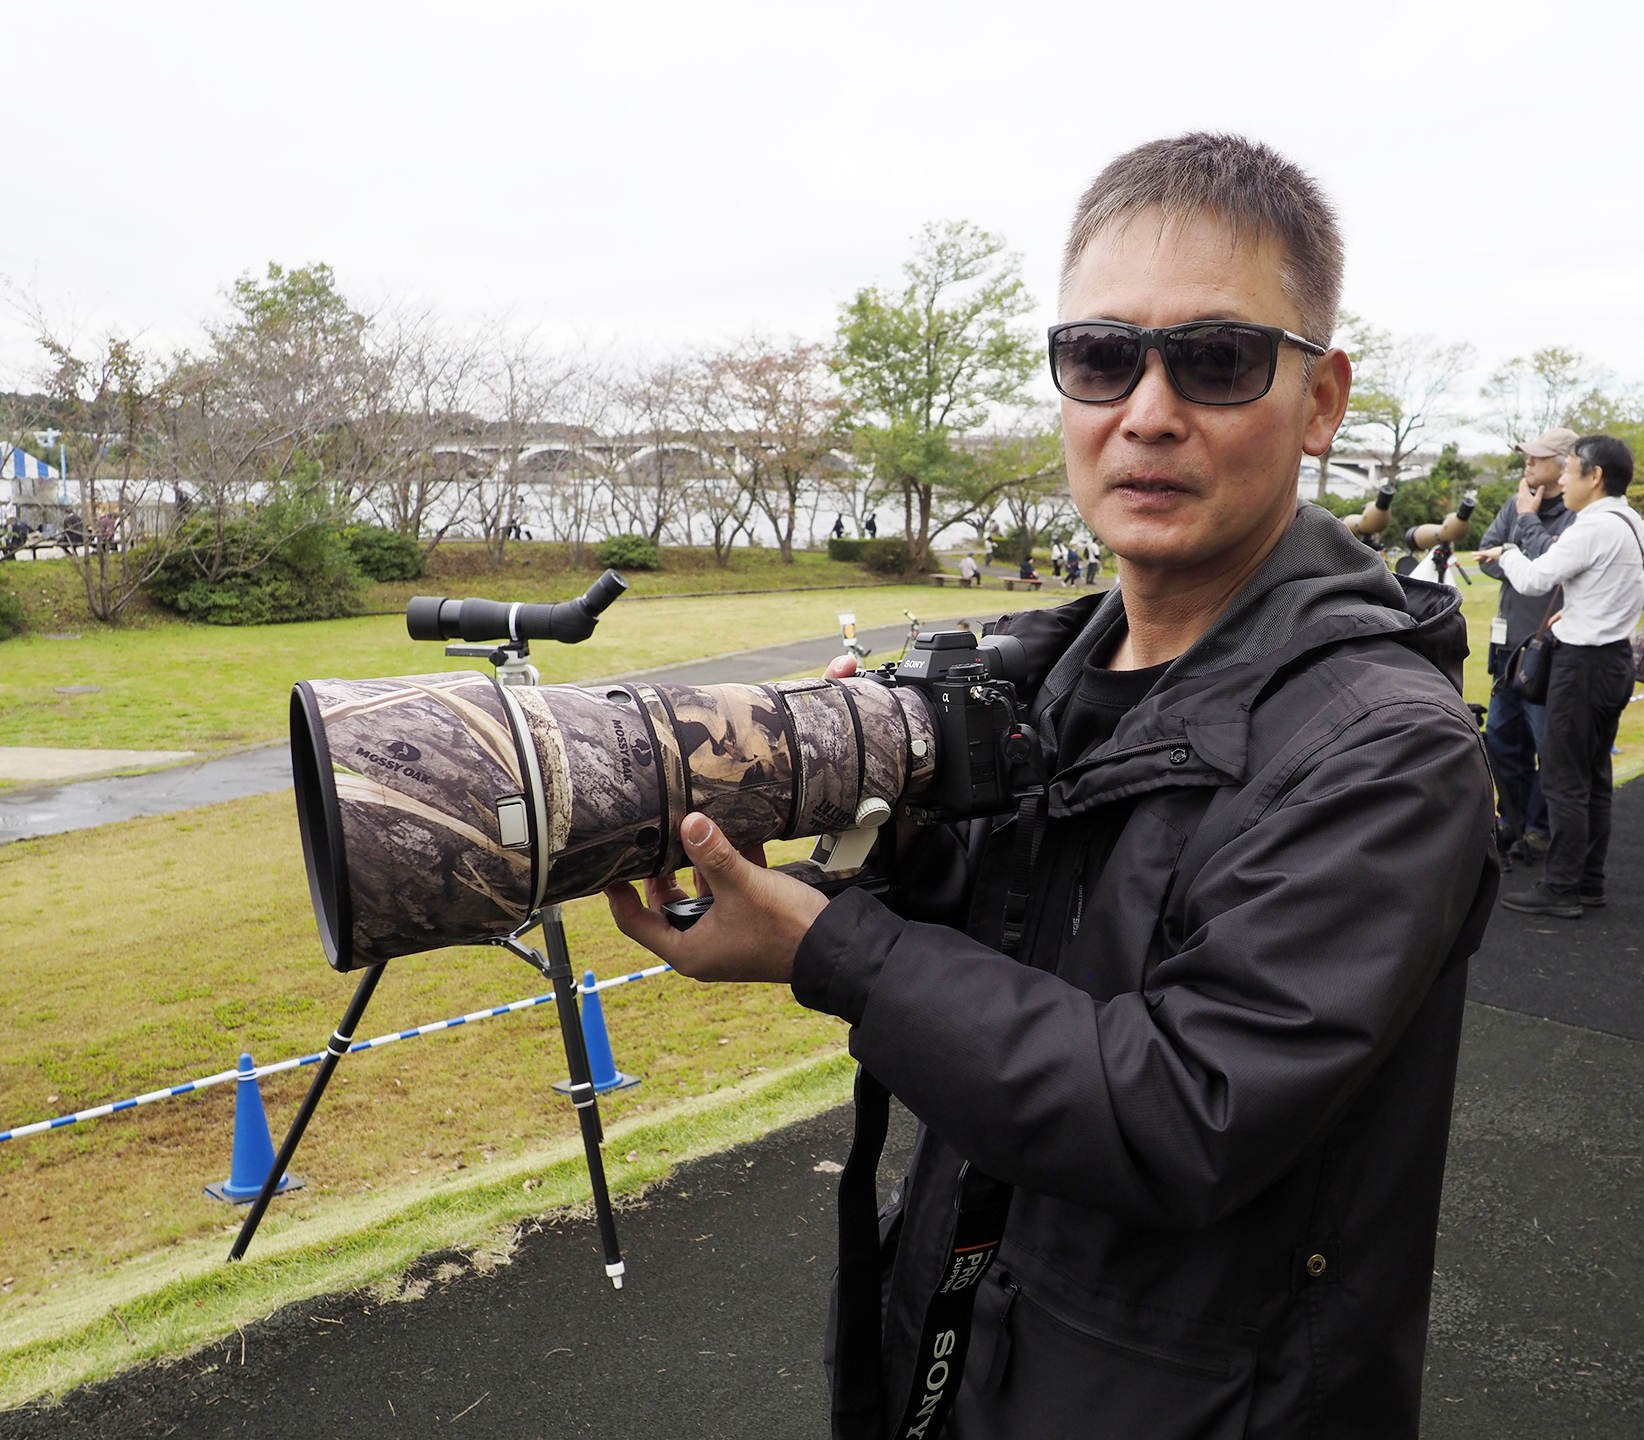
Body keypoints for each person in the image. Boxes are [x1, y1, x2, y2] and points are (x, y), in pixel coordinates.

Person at [606, 133, 1498, 1437]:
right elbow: (1012, 951)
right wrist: (874, 817)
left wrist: (829, 948)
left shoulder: (1385, 746)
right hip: (974, 1339)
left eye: (1216, 359)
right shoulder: (1050, 675)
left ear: (1320, 400)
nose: (1147, 412)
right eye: (1100, 357)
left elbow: (1183, 1109)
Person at [1472, 435, 1644, 917]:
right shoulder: (1634, 523)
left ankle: (1561, 887)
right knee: (1594, 777)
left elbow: (1534, 578)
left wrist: (1507, 552)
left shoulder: (1592, 526)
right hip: (1615, 658)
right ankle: (1588, 881)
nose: (1566, 480)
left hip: (1582, 665)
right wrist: (1587, 611)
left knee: (1564, 780)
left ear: (1594, 477)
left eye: (1571, 471)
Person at [1476, 427, 1580, 865]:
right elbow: (1485, 553)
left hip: (1548, 651)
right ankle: (1514, 821)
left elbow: (1553, 570)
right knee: (1500, 739)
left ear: (1564, 464)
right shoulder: (1517, 503)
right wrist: (1517, 559)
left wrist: (1516, 546)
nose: (1528, 464)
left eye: (1538, 458)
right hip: (1508, 647)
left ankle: (1539, 828)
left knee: (1547, 746)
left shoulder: (1577, 514)